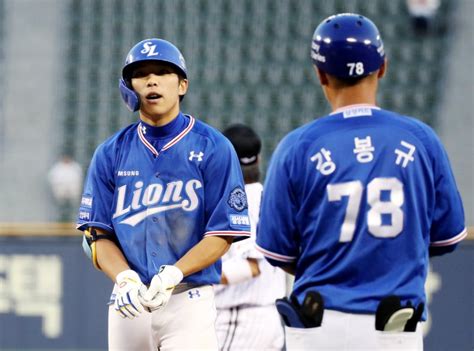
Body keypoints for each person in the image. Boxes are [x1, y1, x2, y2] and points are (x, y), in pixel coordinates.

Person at [255, 13, 466, 350]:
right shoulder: (420, 140)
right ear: (382, 66)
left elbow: (276, 250)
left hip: (319, 326)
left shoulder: (297, 147)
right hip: (395, 325)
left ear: (320, 73)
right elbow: (448, 237)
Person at [76, 38, 251, 350]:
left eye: (162, 72)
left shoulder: (213, 147)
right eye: (141, 74)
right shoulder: (110, 153)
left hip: (188, 297)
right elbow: (98, 237)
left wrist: (175, 272)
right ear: (129, 87)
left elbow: (222, 234)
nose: (152, 80)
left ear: (182, 85)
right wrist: (124, 278)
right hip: (128, 302)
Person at [214, 124, 286, 351]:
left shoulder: (242, 200)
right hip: (265, 317)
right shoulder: (266, 196)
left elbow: (250, 267)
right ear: (258, 159)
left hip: (241, 319)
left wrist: (190, 273)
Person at [47, 154, 83, 221]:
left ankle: (74, 220)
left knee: (73, 209)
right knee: (60, 208)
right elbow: (52, 179)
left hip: (73, 194)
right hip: (60, 194)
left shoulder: (75, 167)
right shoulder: (57, 167)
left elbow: (78, 180)